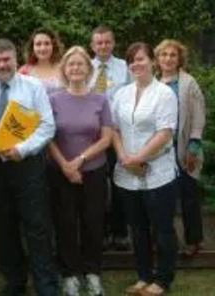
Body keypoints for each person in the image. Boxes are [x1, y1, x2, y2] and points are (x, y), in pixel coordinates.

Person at [0, 39, 58, 296]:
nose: (2, 64)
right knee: (1, 228)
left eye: (6, 59)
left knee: (37, 226)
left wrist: (22, 149)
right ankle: (15, 282)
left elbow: (47, 126)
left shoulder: (33, 87)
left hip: (27, 165)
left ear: (16, 59)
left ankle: (46, 285)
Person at [112, 42, 179, 296]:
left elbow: (164, 134)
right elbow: (114, 130)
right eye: (132, 60)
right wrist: (124, 158)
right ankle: (143, 276)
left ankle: (162, 280)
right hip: (127, 174)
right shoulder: (121, 94)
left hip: (157, 172)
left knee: (162, 229)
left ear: (152, 61)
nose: (136, 64)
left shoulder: (164, 94)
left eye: (141, 59)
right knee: (138, 229)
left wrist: (138, 158)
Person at [48, 46, 112, 296]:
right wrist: (65, 165)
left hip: (93, 171)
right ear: (64, 69)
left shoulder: (101, 99)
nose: (75, 68)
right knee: (65, 224)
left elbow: (106, 138)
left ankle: (92, 273)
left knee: (93, 223)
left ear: (88, 68)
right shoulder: (54, 99)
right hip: (61, 172)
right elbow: (48, 137)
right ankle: (70, 275)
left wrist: (80, 161)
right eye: (70, 64)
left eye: (80, 64)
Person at [155, 39, 206, 258]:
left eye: (172, 55)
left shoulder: (188, 83)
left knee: (188, 198)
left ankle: (193, 241)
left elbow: (198, 116)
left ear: (179, 59)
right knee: (160, 198)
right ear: (157, 59)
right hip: (158, 152)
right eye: (164, 54)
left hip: (184, 150)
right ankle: (163, 241)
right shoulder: (153, 83)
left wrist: (194, 145)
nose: (168, 58)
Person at [89, 25, 130, 251]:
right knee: (96, 186)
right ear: (92, 45)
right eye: (99, 42)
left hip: (118, 134)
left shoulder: (125, 68)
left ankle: (120, 232)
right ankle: (101, 233)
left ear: (113, 43)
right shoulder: (85, 68)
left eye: (107, 42)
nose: (103, 46)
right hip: (92, 136)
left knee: (120, 183)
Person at [19, 28, 63, 93]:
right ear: (32, 47)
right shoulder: (24, 72)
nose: (43, 48)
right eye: (38, 44)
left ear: (53, 46)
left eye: (47, 43)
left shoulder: (64, 69)